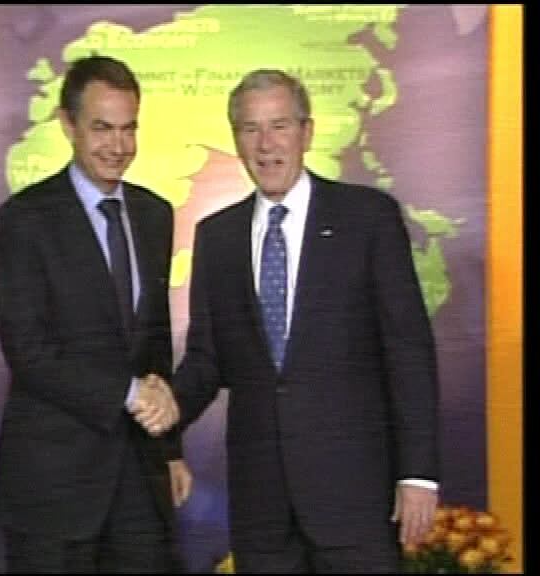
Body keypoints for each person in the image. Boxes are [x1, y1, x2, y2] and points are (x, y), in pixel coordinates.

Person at [173, 69, 440, 573]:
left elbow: (407, 350)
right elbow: (207, 360)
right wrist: (164, 415)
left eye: (279, 126)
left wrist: (418, 474)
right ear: (235, 139)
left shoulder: (367, 218)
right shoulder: (217, 236)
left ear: (307, 132)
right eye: (250, 129)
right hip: (262, 511)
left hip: (355, 499)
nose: (266, 144)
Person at [0, 55, 191, 573]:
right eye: (102, 128)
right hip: (54, 484)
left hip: (140, 482)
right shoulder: (26, 219)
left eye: (129, 128)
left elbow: (153, 346)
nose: (118, 146)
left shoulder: (154, 214)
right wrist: (128, 393)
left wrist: (169, 450)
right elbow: (29, 353)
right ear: (67, 124)